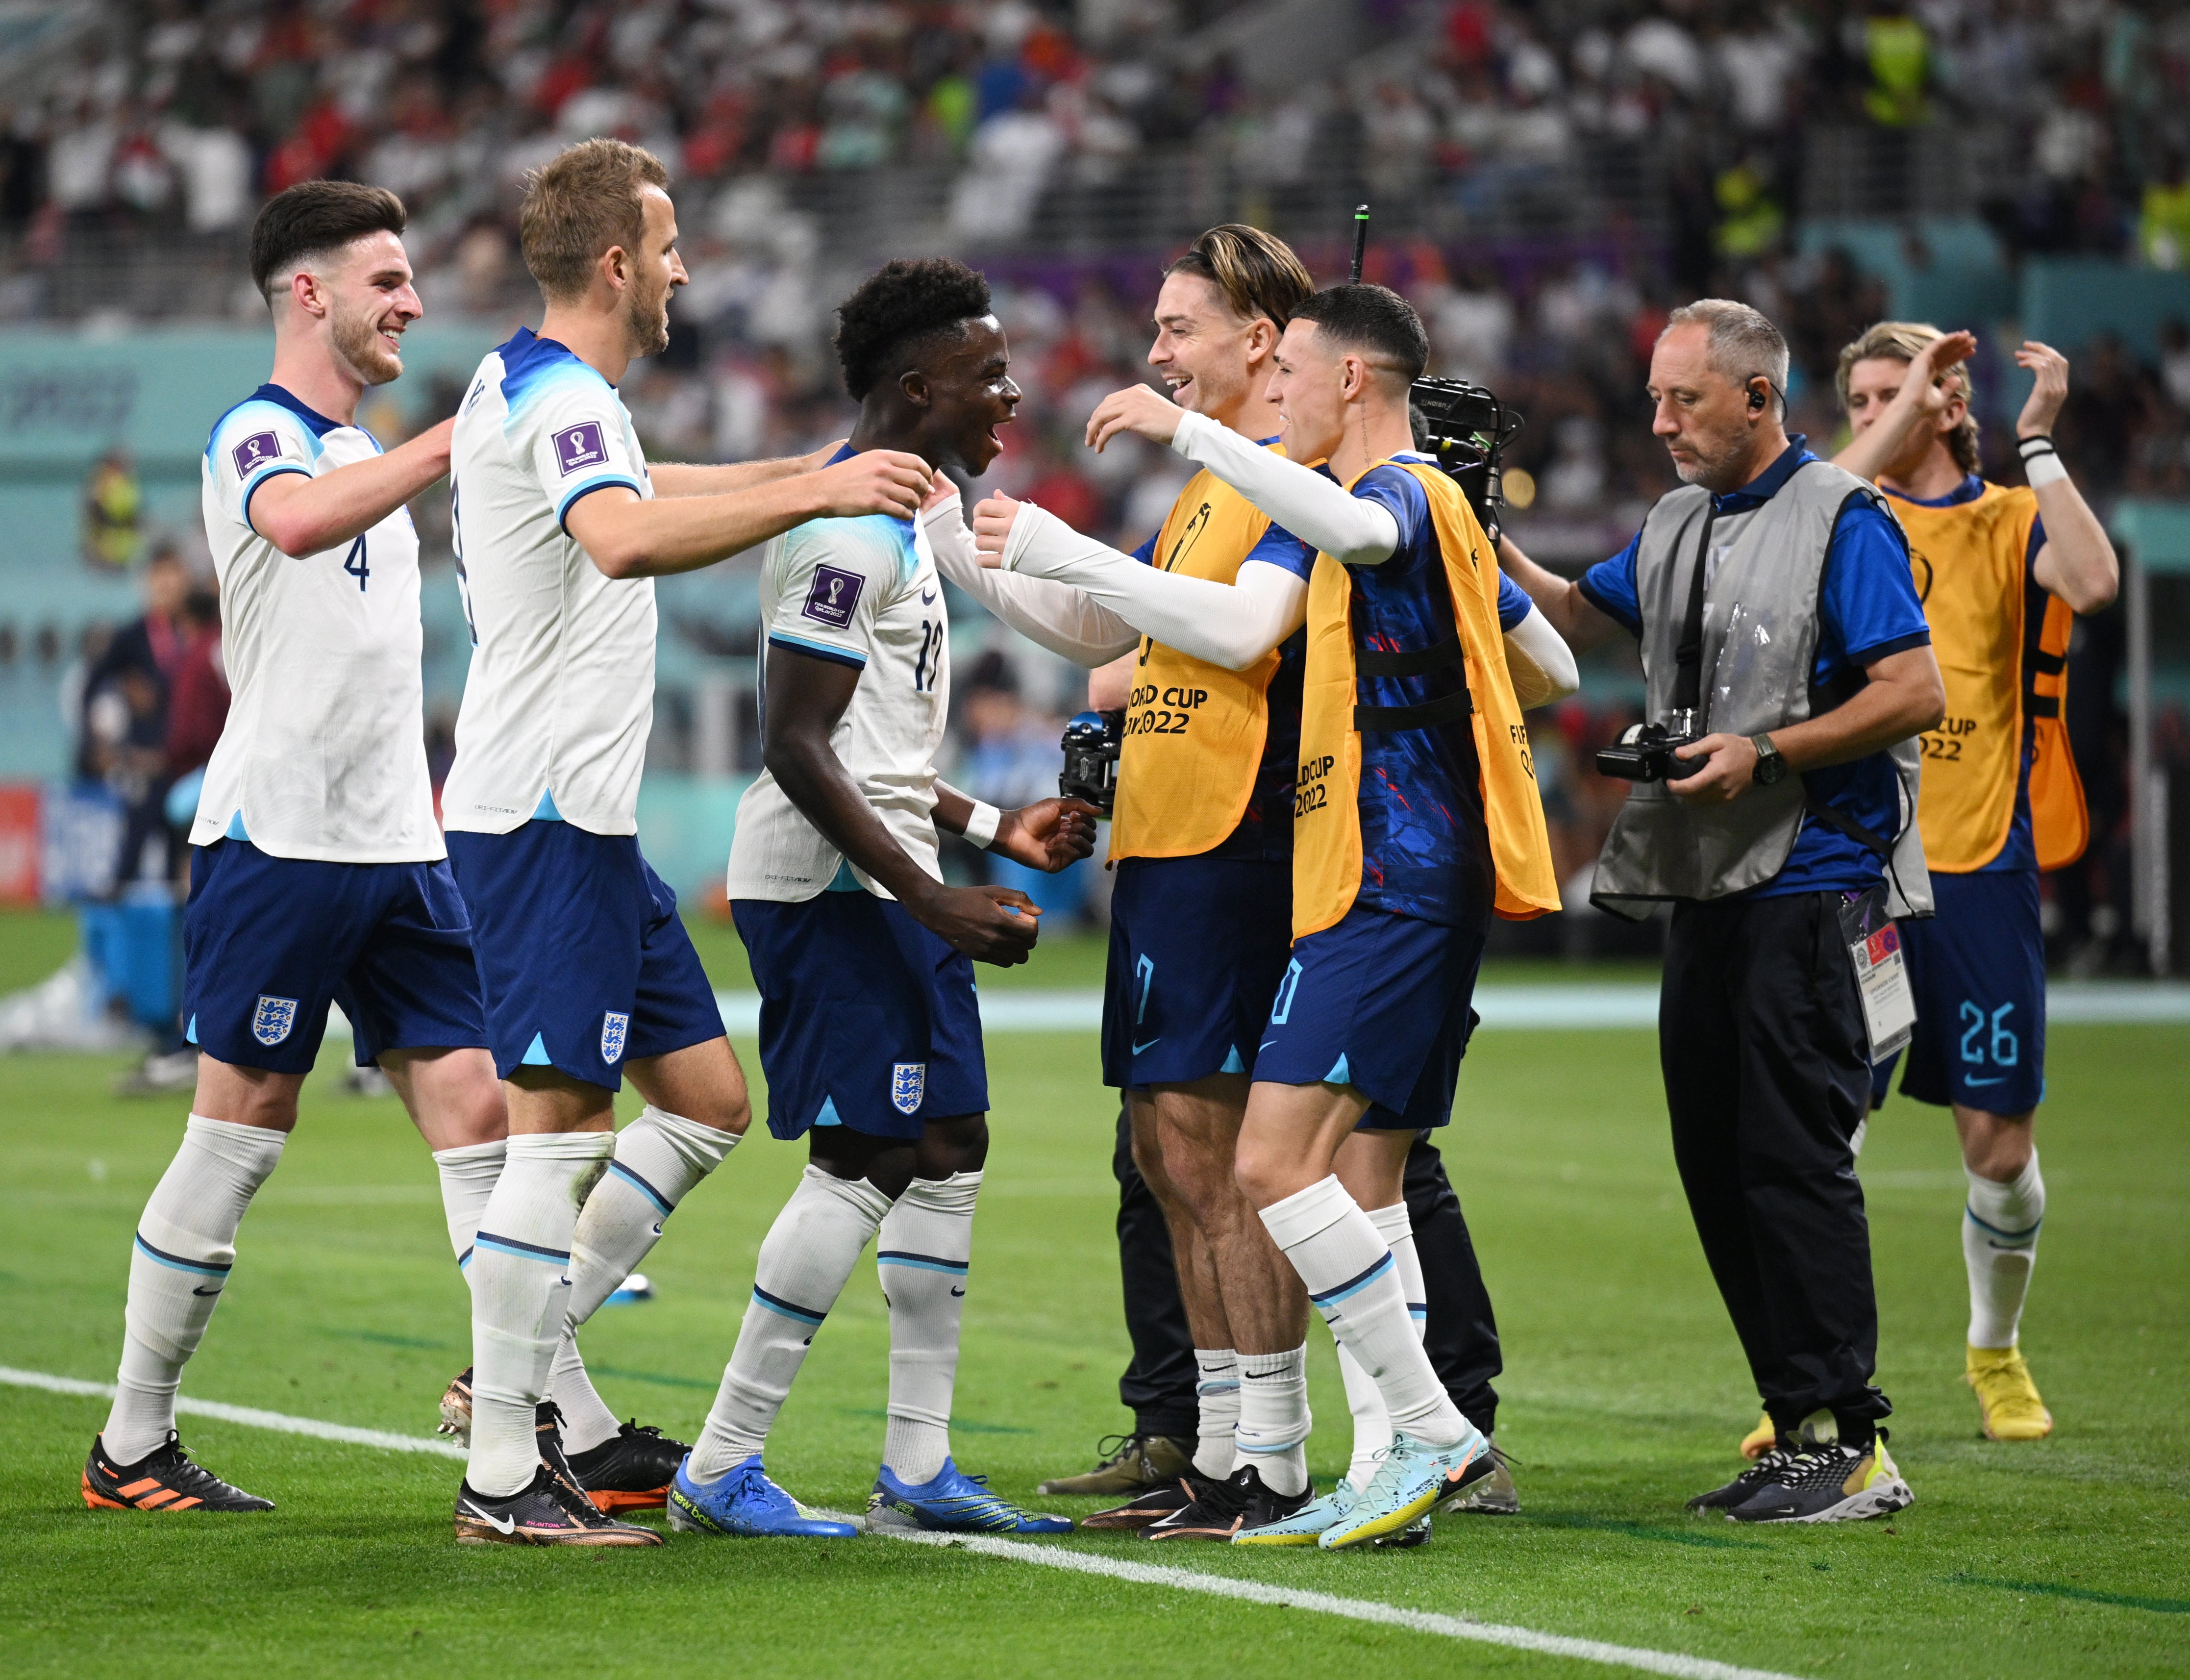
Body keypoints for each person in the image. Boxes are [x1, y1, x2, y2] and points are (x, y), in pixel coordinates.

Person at [945, 229, 1558, 1534]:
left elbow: (1233, 626)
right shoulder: (1281, 486)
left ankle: (1355, 1443)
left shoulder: (1334, 484)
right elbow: (1140, 633)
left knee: (1288, 1162)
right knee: (1239, 1159)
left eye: (1181, 328)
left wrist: (1158, 455)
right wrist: (973, 541)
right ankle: (1323, 1445)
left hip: (1337, 852)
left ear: (1291, 355)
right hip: (1302, 850)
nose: (1160, 352)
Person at [439, 139, 933, 1547]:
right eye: (666, 246)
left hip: (578, 825)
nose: (682, 269)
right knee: (559, 1130)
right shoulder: (567, 399)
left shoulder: (530, 385)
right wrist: (814, 495)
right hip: (539, 817)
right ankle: (504, 1464)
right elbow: (620, 535)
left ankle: (525, 1381)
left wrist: (818, 467)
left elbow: (648, 482)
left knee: (709, 1098)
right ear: (614, 263)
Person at [80, 181, 509, 1516]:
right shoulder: (258, 436)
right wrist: (452, 441)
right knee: (246, 1121)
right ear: (309, 293)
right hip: (281, 839)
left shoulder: (361, 448)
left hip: (401, 841)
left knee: (483, 1109)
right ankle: (132, 1444)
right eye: (389, 278)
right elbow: (294, 524)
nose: (414, 301)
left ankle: (515, 1417)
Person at [1499, 299, 1946, 1524]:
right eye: (1653, 397)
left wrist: (1771, 749)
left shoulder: (1840, 518)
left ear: (1758, 398)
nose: (1658, 421)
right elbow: (1573, 609)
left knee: (1788, 1159)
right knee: (1714, 1159)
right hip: (1707, 881)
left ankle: (1851, 1441)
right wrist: (1460, 520)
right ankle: (1792, 1423)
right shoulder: (1675, 517)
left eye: (1681, 400)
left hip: (1809, 879)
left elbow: (1914, 687)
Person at [672, 257, 1096, 1541]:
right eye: (986, 375)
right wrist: (933, 896)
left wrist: (990, 830)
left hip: (892, 881)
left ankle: (918, 1466)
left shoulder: (903, 516)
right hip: (828, 891)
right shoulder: (846, 537)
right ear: (916, 388)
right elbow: (795, 745)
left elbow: (884, 754)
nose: (1009, 396)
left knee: (948, 1145)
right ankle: (720, 1463)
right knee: (863, 1154)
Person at [1824, 323, 2115, 1447]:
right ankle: (1812, 1382)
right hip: (1850, 872)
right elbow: (1791, 513)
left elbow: (2091, 580)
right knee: (1825, 1138)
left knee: (1997, 1150)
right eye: (1855, 397)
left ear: (1948, 405)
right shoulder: (1842, 516)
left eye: (1890, 393)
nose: (1867, 414)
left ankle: (1992, 1348)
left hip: (1976, 867)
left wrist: (2035, 440)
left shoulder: (2001, 522)